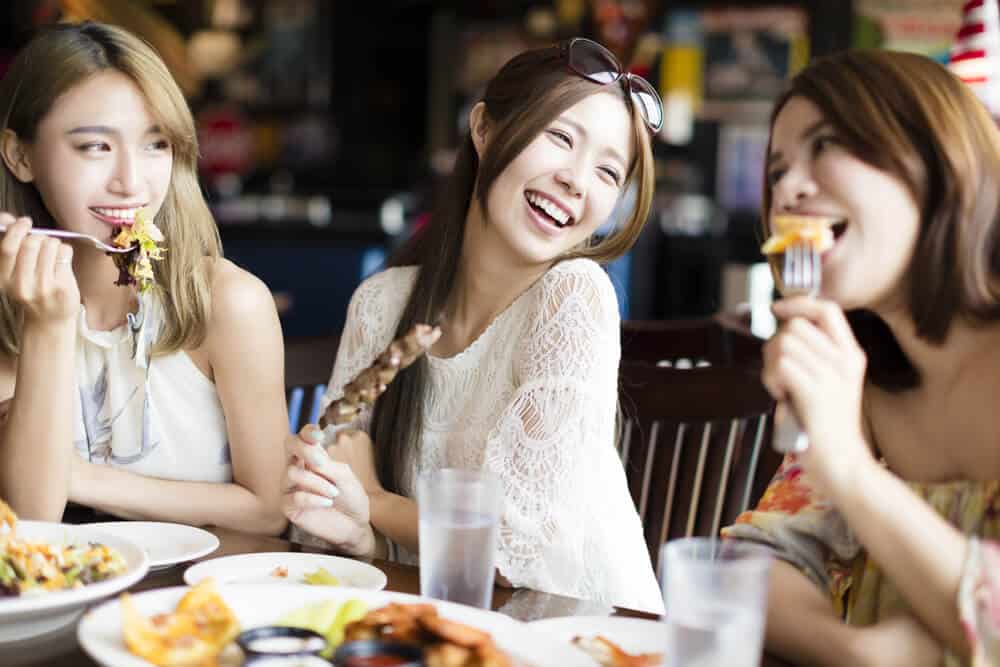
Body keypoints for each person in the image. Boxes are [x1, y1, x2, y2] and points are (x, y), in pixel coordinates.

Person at [282, 38, 665, 613]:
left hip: (581, 635)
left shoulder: (574, 296)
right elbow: (331, 518)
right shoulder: (381, 305)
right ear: (484, 130)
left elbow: (515, 548)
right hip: (435, 621)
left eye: (609, 172)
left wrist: (375, 502)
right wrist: (353, 526)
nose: (578, 181)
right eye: (561, 138)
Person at [722, 49, 1000, 667]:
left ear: (938, 160)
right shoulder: (860, 378)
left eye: (825, 146)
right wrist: (857, 652)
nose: (789, 188)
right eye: (776, 171)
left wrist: (849, 467)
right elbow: (755, 562)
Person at [0, 22, 287, 534]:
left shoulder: (228, 301)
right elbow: (32, 514)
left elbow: (268, 509)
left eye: (156, 145)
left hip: (198, 601)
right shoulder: (13, 297)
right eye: (94, 147)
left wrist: (82, 478)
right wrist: (47, 326)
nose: (131, 182)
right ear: (20, 155)